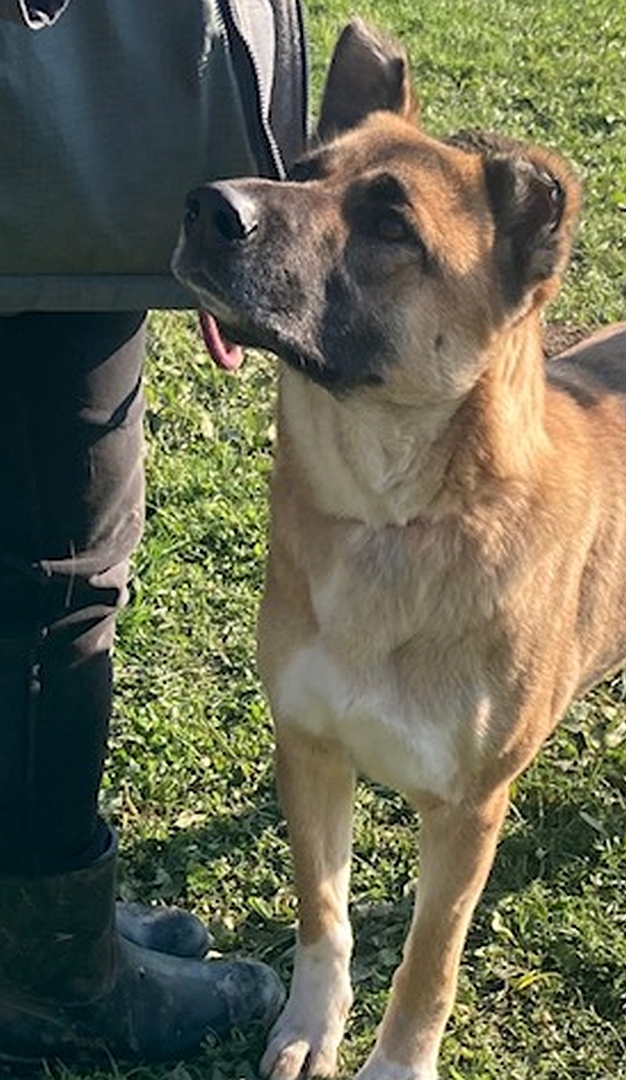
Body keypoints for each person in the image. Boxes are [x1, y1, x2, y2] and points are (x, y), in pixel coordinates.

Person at [0, 0, 307, 1062]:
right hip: (35, 157)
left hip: (65, 141)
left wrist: (189, 192)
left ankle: (31, 917)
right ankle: (46, 977)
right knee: (52, 585)